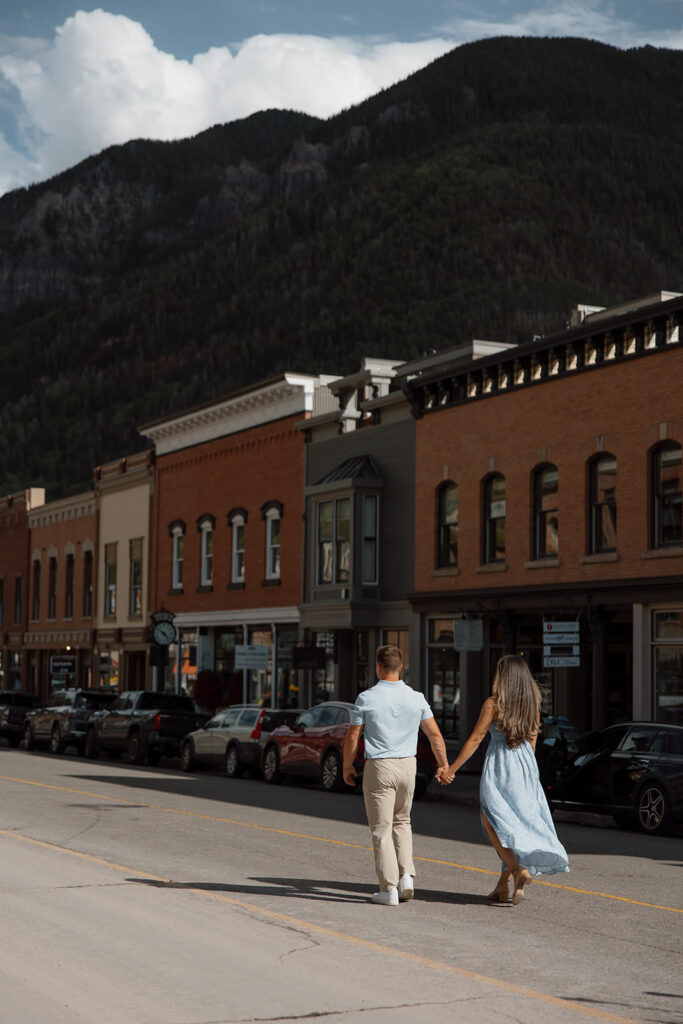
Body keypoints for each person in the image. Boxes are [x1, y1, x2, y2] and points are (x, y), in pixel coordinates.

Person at [437, 654, 569, 904]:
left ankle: (518, 871)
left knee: (493, 821)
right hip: (526, 766)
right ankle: (502, 886)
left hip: (501, 765)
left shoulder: (493, 704)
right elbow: (533, 739)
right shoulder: (533, 702)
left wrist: (451, 768)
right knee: (513, 825)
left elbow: (476, 739)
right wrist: (529, 772)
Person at [343, 644, 449, 906]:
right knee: (403, 822)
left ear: (378, 667)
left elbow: (353, 735)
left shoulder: (367, 697)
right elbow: (434, 735)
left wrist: (347, 766)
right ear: (401, 667)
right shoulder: (416, 697)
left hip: (380, 766)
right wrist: (443, 765)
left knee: (381, 829)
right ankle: (407, 877)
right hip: (408, 766)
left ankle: (388, 888)